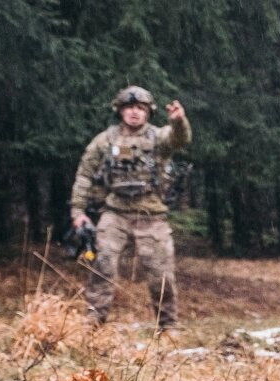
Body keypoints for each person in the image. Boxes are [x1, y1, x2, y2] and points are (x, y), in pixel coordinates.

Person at [69, 85, 192, 331]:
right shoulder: (105, 140)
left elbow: (180, 139)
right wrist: (78, 212)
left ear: (148, 112)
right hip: (115, 212)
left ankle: (168, 327)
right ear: (120, 111)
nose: (134, 113)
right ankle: (93, 323)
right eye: (129, 108)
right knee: (102, 263)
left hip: (151, 214)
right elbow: (85, 175)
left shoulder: (158, 138)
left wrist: (179, 122)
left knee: (161, 274)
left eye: (140, 108)